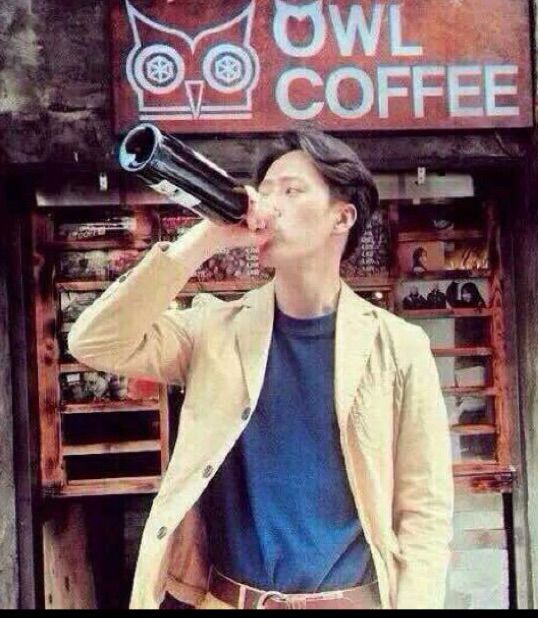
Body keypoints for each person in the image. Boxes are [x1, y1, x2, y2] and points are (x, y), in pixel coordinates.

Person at [68, 129, 453, 610]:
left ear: (342, 216)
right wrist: (203, 241)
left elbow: (424, 511)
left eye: (291, 191)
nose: (269, 205)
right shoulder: (214, 328)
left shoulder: (398, 347)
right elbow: (94, 342)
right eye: (265, 191)